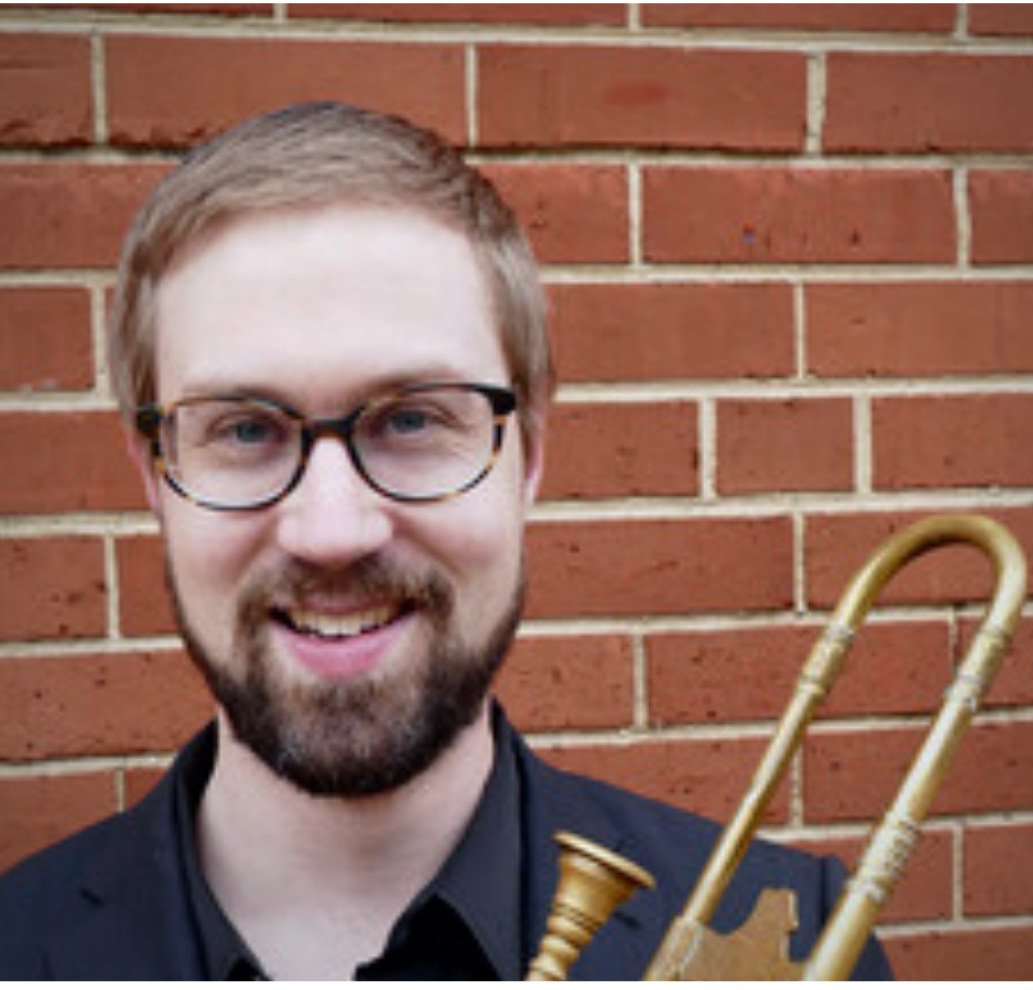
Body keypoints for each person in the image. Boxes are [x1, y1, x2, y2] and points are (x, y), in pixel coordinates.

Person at [0, 102, 892, 981]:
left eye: (413, 419)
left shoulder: (797, 943)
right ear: (155, 476)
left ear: (528, 452)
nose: (333, 531)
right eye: (243, 430)